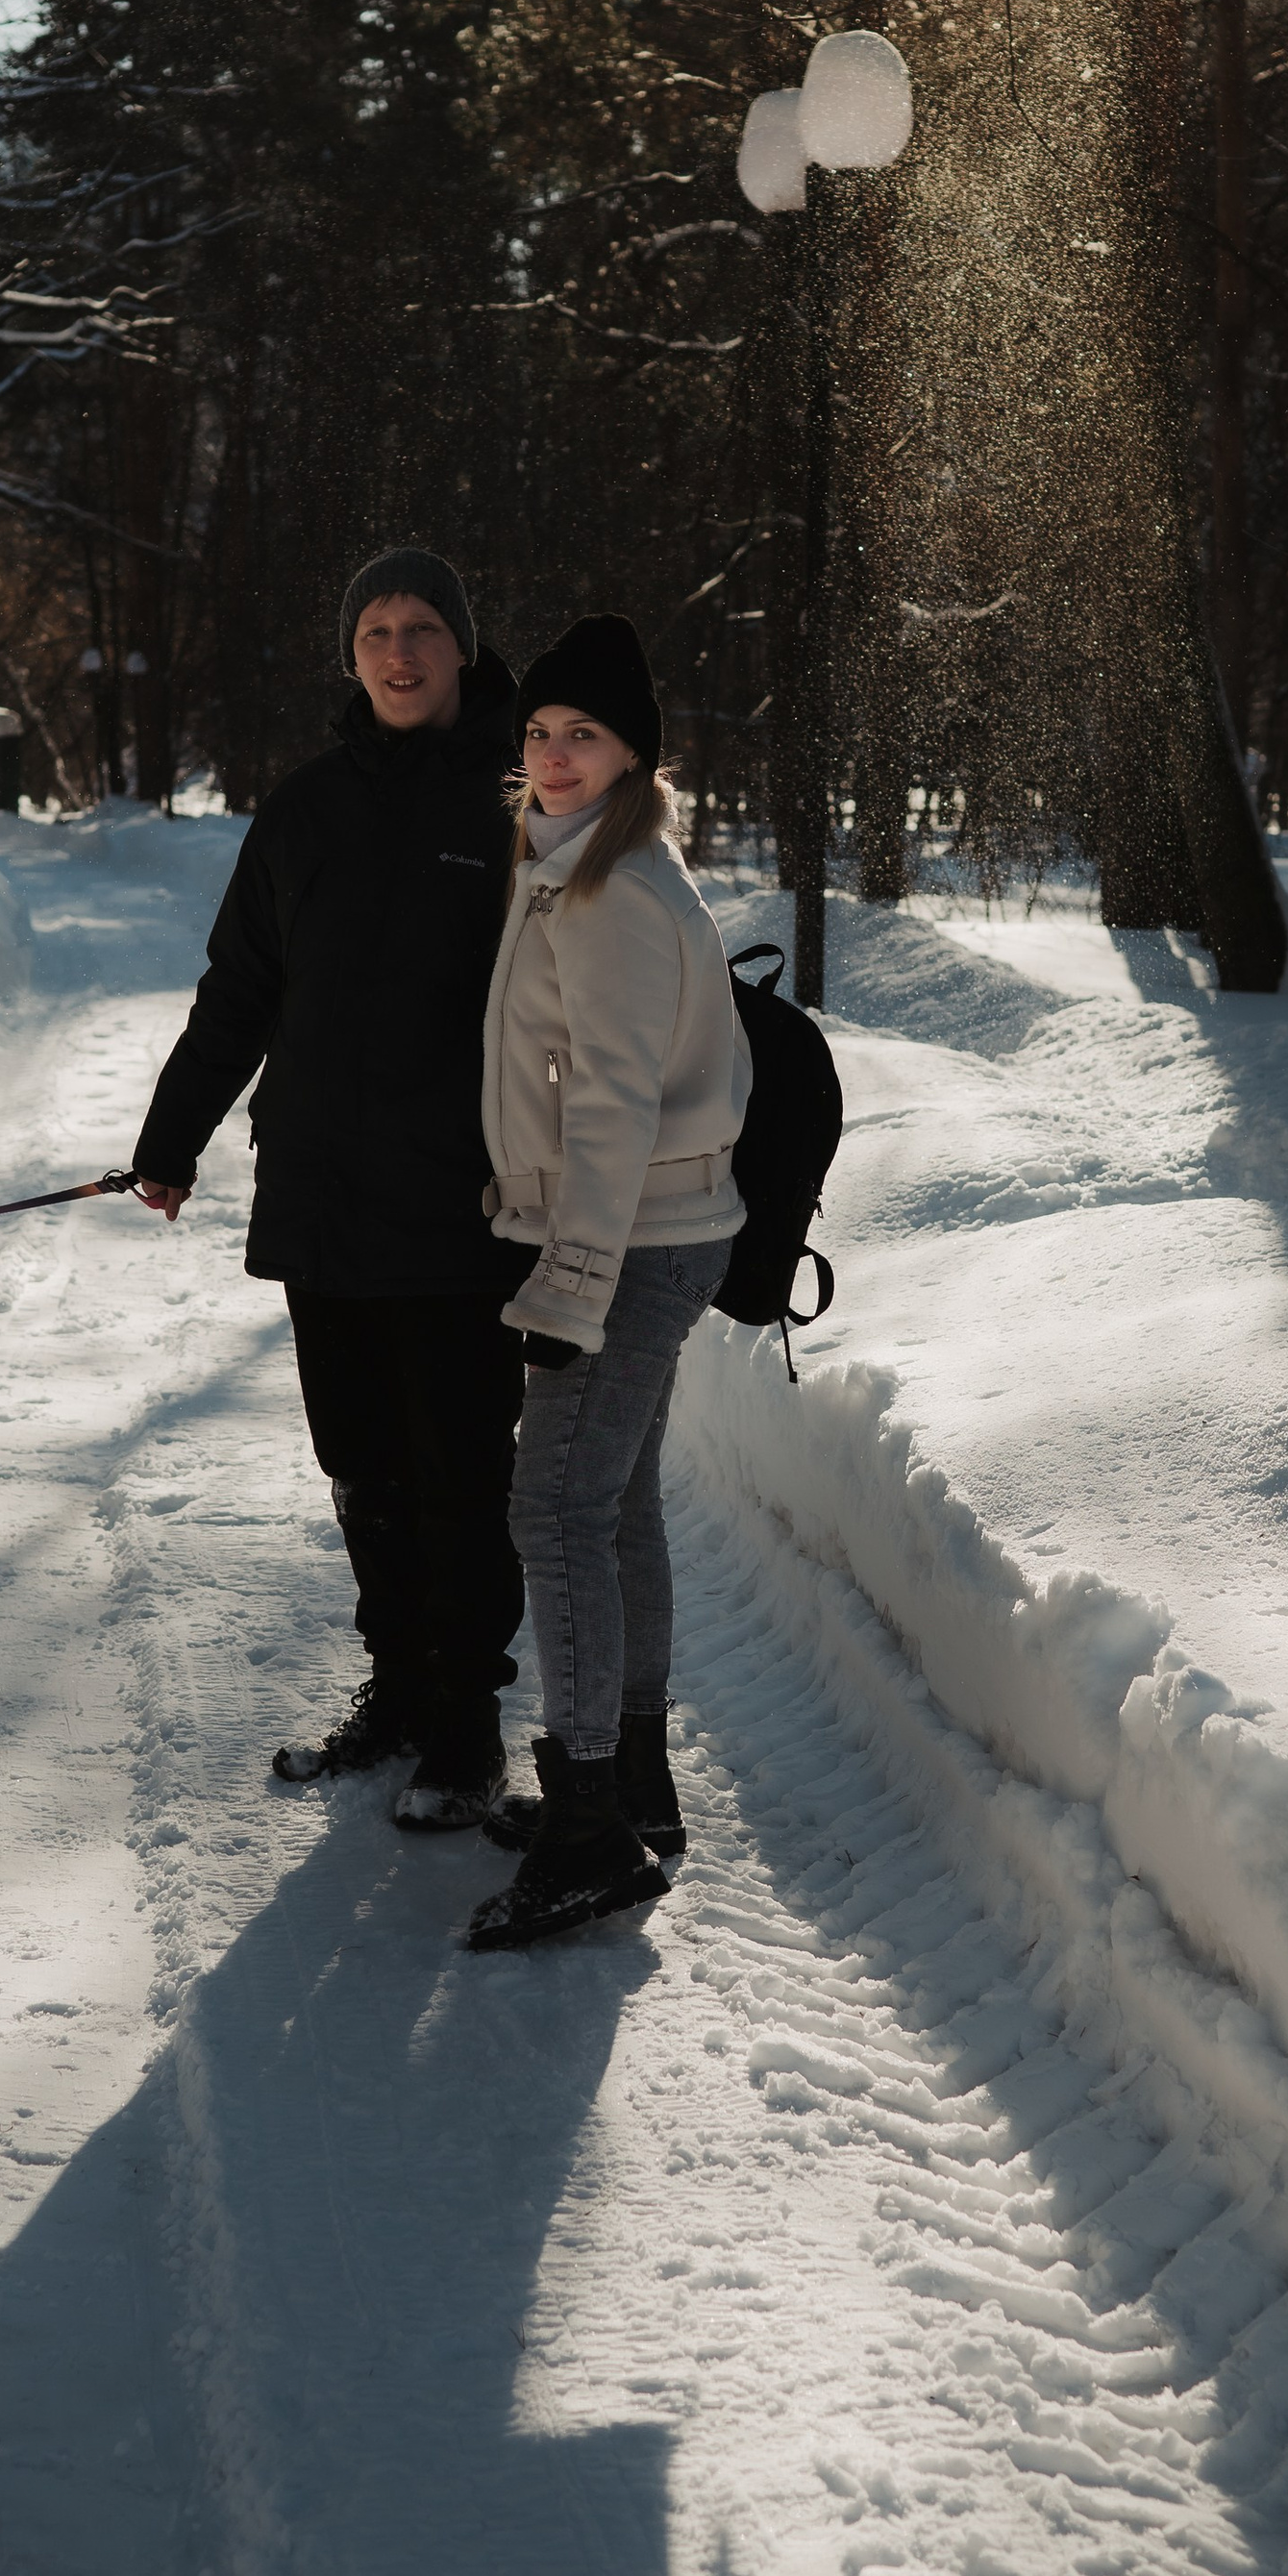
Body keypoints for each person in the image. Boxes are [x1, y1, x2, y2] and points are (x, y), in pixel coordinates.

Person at [129, 552, 525, 1829]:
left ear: (463, 647)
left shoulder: (524, 801)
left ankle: (466, 1727)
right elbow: (239, 989)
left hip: (468, 1211)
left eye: (421, 629)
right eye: (374, 631)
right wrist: (171, 1137)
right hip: (324, 1201)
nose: (399, 651)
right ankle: (402, 1690)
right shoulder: (301, 812)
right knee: (359, 1464)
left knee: (458, 1473)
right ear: (349, 656)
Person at [465, 614, 751, 1953]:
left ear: (634, 754)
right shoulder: (573, 865)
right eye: (537, 733)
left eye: (583, 734)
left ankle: (587, 1823)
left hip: (634, 1237)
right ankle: (631, 1773)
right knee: (617, 1494)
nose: (554, 754)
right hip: (653, 1226)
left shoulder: (617, 891)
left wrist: (566, 1288)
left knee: (556, 1507)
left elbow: (619, 1104)